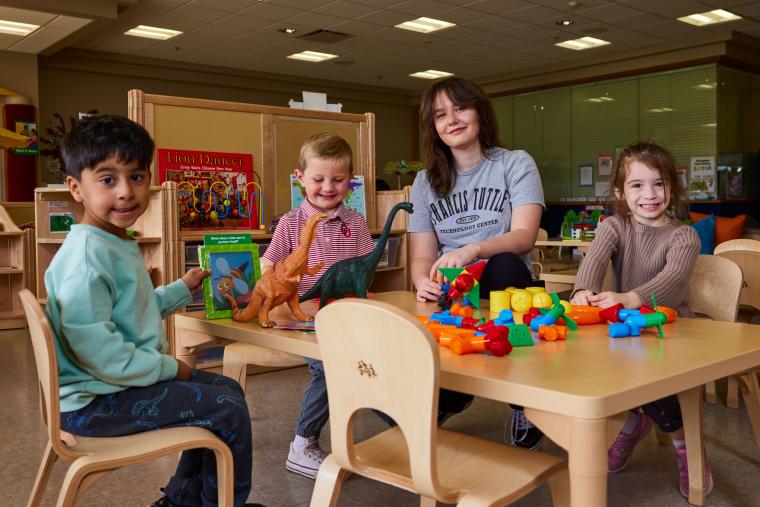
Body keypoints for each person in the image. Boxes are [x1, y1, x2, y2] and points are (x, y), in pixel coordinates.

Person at [46, 115, 262, 507]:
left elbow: (132, 311)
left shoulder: (109, 242)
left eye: (137, 177)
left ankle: (183, 499)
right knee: (225, 409)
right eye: (108, 179)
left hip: (106, 388)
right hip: (95, 404)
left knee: (226, 390)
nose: (126, 192)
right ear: (77, 188)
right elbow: (104, 357)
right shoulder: (87, 261)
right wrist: (171, 368)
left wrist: (182, 288)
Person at [408, 76, 545, 449]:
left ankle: (525, 404)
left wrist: (471, 250)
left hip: (507, 283)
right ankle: (453, 394)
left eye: (460, 108)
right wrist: (422, 279)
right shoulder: (425, 182)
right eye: (440, 115)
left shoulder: (514, 163)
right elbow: (421, 255)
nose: (451, 119)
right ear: (433, 127)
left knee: (503, 262)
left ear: (480, 111)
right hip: (453, 291)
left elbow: (524, 237)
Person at [570, 141, 710, 498]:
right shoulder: (613, 226)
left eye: (659, 183)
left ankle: (686, 449)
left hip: (671, 331)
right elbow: (594, 262)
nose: (650, 194)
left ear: (671, 188)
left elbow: (673, 280)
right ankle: (633, 423)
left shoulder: (684, 235)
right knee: (589, 362)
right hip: (624, 329)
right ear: (620, 191)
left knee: (653, 372)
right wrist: (582, 291)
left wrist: (630, 297)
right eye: (637, 185)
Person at [262, 133, 374, 479]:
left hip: (348, 315)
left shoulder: (355, 223)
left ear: (350, 181)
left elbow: (365, 267)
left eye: (338, 180)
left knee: (376, 362)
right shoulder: (291, 223)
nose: (328, 187)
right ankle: (303, 443)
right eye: (318, 179)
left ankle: (401, 430)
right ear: (300, 178)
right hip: (305, 317)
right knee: (329, 368)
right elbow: (269, 264)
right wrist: (280, 284)